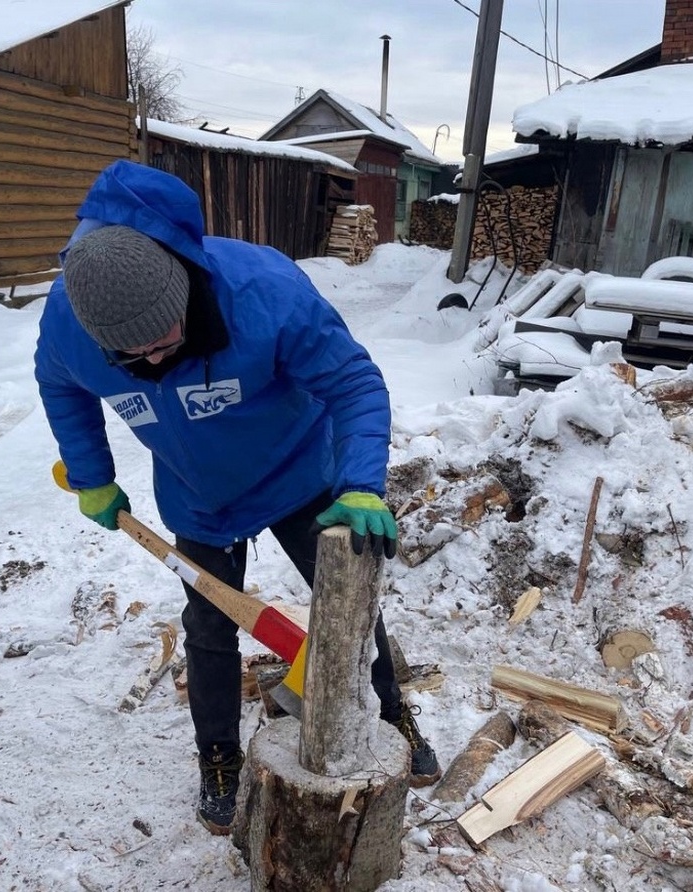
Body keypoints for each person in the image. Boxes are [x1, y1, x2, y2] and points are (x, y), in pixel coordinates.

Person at [34, 159, 440, 835]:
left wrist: (362, 484)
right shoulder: (69, 322)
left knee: (348, 605)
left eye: (164, 342)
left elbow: (355, 385)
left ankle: (389, 709)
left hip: (298, 473)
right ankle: (218, 756)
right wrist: (91, 472)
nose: (156, 363)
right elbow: (60, 385)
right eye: (132, 358)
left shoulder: (264, 292)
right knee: (208, 631)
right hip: (199, 497)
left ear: (185, 291)